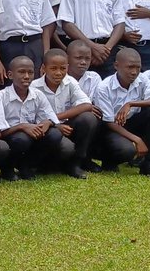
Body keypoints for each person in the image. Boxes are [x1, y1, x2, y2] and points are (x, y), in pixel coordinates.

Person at [91, 48, 150, 179]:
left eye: (138, 67)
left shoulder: (142, 79)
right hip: (111, 128)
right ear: (116, 66)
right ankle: (109, 159)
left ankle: (149, 163)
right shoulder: (104, 87)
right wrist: (137, 139)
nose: (134, 72)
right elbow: (108, 122)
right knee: (127, 150)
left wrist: (131, 103)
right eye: (130, 67)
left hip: (131, 121)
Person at [31, 48, 99, 178]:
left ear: (67, 67)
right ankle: (42, 165)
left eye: (62, 68)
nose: (58, 73)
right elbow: (32, 118)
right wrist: (55, 125)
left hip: (65, 125)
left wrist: (55, 119)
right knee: (66, 148)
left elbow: (86, 104)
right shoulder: (34, 87)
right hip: (46, 130)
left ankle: (76, 164)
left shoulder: (70, 82)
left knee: (88, 118)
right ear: (44, 68)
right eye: (53, 68)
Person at [0, 55, 65, 180]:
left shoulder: (38, 95)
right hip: (8, 136)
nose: (26, 76)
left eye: (30, 72)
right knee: (21, 138)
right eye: (21, 72)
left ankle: (27, 166)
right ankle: (7, 168)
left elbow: (51, 118)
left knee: (55, 134)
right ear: (10, 75)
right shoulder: (0, 97)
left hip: (31, 135)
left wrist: (47, 123)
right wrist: (22, 126)